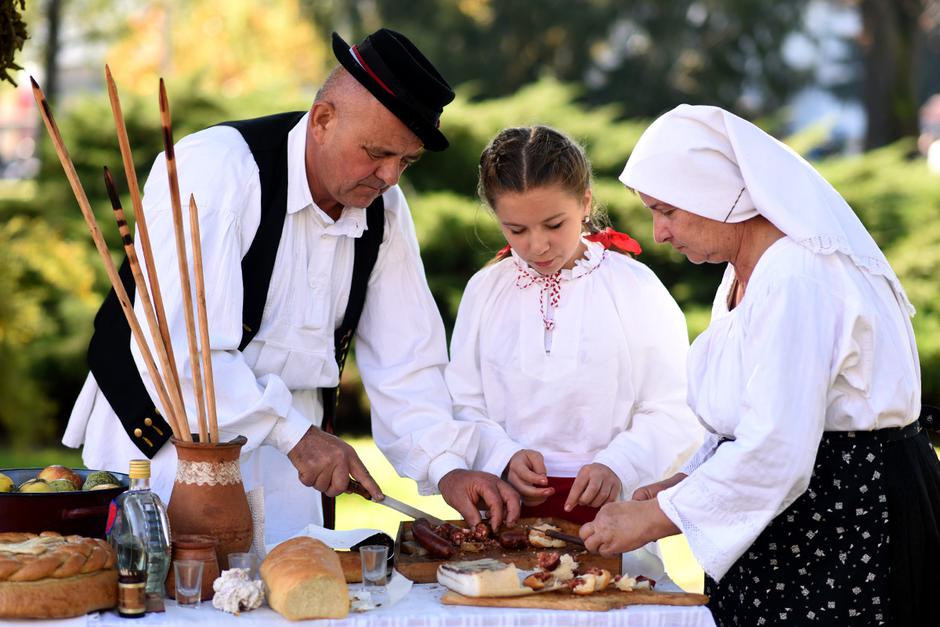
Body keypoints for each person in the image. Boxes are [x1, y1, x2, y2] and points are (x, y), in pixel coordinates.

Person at [64, 28, 520, 544]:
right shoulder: (219, 170)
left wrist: (446, 466)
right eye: (377, 152)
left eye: (406, 161)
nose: (390, 176)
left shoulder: (384, 210)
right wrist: (293, 433)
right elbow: (178, 351)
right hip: (171, 447)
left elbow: (407, 362)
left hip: (292, 463)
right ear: (323, 119)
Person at [580, 104, 940, 625]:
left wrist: (657, 518)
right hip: (794, 522)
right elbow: (744, 414)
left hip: (847, 524)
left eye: (668, 211)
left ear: (715, 194)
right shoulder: (745, 273)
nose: (658, 233)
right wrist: (687, 479)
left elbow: (776, 445)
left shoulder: (799, 275)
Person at [445, 126, 701, 528]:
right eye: (516, 230)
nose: (537, 246)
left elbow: (674, 404)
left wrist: (619, 463)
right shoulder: (485, 290)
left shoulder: (633, 288)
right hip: (505, 507)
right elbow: (462, 400)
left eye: (553, 224)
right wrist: (502, 456)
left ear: (585, 203)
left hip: (613, 509)